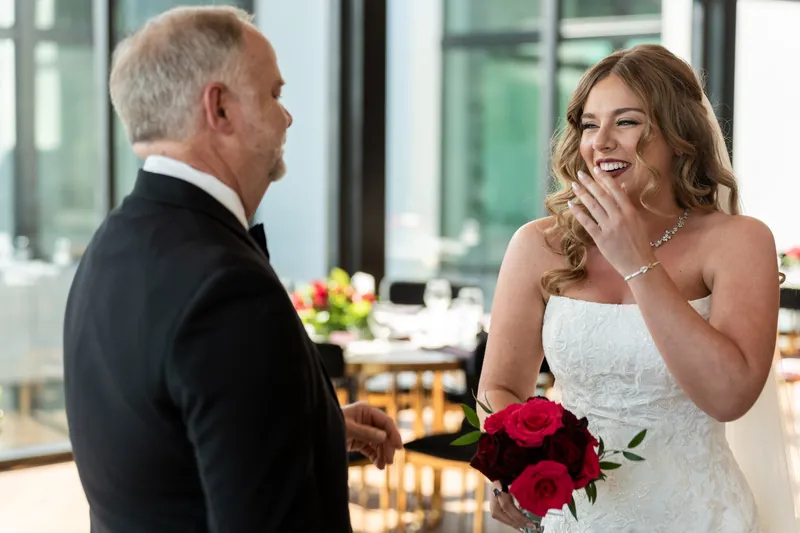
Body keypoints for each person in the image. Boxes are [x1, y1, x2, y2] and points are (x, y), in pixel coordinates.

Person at [62, 6, 402, 533]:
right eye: (274, 94)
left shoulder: (111, 243)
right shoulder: (228, 288)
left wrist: (315, 427)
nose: (287, 118)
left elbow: (169, 443)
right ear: (219, 108)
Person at [478, 44, 792, 532]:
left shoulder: (739, 241)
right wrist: (512, 467)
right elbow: (498, 389)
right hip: (574, 518)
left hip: (700, 517)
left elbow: (729, 397)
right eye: (589, 124)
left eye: (626, 122)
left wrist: (637, 262)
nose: (601, 141)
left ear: (679, 135)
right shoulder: (538, 245)